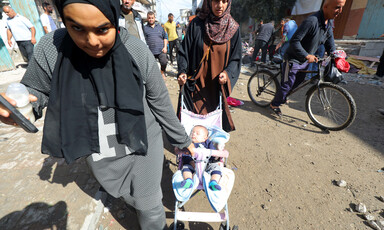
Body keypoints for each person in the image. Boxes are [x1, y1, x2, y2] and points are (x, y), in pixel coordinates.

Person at [0, 0, 195, 229]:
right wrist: (22, 108)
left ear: (113, 17)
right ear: (64, 20)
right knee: (126, 194)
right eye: (77, 28)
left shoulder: (135, 50)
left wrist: (182, 140)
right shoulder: (52, 49)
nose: (91, 42)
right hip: (100, 149)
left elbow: (159, 101)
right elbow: (38, 90)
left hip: (142, 139)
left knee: (148, 203)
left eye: (102, 29)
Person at [270, 0, 346, 115]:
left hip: (305, 60)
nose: (340, 11)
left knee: (299, 81)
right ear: (326, 6)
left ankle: (283, 95)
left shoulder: (329, 23)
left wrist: (336, 55)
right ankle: (274, 104)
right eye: (337, 7)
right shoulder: (312, 21)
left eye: (342, 8)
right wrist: (306, 55)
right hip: (293, 58)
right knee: (287, 84)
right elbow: (295, 41)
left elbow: (330, 42)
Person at [177, 0, 241, 132]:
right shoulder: (197, 24)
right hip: (195, 85)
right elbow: (184, 51)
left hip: (215, 87)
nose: (220, 5)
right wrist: (182, 71)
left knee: (212, 129)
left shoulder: (233, 28)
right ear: (209, 2)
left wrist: (227, 74)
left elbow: (235, 59)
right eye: (216, 1)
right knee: (192, 128)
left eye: (224, 1)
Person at [181, 125, 222, 191]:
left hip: (207, 164)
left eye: (197, 133)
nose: (193, 134)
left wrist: (216, 153)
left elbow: (213, 152)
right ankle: (188, 180)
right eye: (192, 132)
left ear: (205, 138)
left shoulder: (208, 143)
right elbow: (185, 155)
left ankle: (214, 182)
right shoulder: (189, 144)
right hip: (193, 165)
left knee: (216, 167)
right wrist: (190, 162)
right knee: (186, 167)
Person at [143, 11, 168, 81]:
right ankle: (153, 79)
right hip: (150, 51)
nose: (151, 19)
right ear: (147, 19)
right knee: (150, 66)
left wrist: (165, 47)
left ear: (154, 18)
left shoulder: (160, 27)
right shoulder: (144, 28)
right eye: (149, 18)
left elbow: (165, 38)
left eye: (152, 18)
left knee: (164, 62)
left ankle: (162, 72)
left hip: (161, 50)